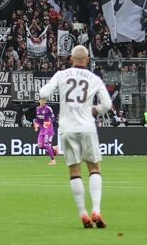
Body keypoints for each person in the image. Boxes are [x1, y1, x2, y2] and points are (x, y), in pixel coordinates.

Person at [37, 46, 113, 229]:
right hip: (87, 127)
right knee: (94, 168)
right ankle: (96, 209)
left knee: (74, 171)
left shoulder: (61, 75)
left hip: (67, 128)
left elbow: (43, 93)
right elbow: (107, 105)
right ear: (87, 60)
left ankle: (83, 214)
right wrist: (96, 110)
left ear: (71, 59)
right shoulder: (94, 79)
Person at [33, 99, 58, 165]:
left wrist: (49, 123)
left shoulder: (48, 108)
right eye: (42, 100)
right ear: (39, 101)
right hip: (42, 129)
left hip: (48, 129)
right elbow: (37, 118)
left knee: (46, 144)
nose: (43, 102)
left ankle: (53, 160)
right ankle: (53, 148)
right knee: (40, 146)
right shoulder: (37, 108)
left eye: (44, 100)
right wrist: (35, 124)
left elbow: (53, 118)